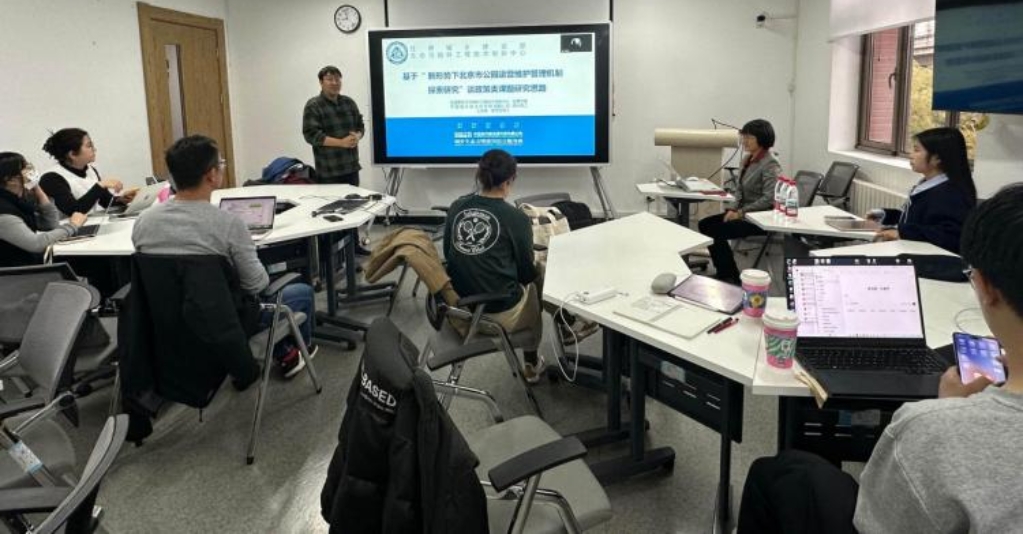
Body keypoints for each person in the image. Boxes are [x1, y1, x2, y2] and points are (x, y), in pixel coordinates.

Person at [737, 183, 1023, 533]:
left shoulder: (929, 427)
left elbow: (875, 519)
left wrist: (946, 408)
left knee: (779, 471)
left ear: (987, 287)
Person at [132, 135, 317, 378]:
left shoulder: (144, 222)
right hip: (223, 325)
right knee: (301, 292)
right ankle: (296, 352)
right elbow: (256, 285)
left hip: (165, 326)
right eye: (220, 163)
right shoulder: (228, 224)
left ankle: (285, 350)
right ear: (212, 175)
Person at [443, 149, 545, 382]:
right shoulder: (516, 218)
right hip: (498, 312)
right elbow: (525, 273)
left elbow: (448, 253)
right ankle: (532, 363)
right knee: (537, 280)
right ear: (509, 180)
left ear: (480, 175)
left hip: (457, 306)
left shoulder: (457, 206)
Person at [697, 119, 782, 284]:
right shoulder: (748, 159)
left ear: (762, 138)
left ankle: (729, 275)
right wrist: (733, 209)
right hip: (744, 213)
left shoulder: (770, 163)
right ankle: (726, 271)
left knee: (716, 231)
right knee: (705, 224)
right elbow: (739, 190)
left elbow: (769, 198)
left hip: (760, 218)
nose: (744, 141)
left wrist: (740, 213)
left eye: (749, 137)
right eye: (744, 137)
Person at [867, 127, 977, 253]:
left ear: (937, 158)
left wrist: (902, 233)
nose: (911, 155)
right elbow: (915, 220)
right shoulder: (928, 184)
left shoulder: (951, 193)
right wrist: (885, 215)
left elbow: (950, 235)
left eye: (917, 150)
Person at [0, 152, 87, 267]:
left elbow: (50, 224)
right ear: (10, 180)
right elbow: (36, 244)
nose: (31, 171)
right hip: (16, 272)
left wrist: (37, 188)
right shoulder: (4, 212)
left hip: (27, 264)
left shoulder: (17, 200)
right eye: (25, 169)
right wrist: (73, 225)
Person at [39, 128, 136, 216]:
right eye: (89, 146)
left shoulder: (90, 170)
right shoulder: (51, 178)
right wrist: (100, 186)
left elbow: (105, 201)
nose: (94, 149)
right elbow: (74, 210)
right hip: (67, 228)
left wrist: (121, 200)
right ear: (72, 154)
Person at [302, 66, 365, 187]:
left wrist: (358, 136)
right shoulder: (313, 105)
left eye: (337, 79)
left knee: (355, 199)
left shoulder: (349, 102)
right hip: (329, 171)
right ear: (321, 82)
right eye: (330, 79)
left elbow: (360, 125)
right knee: (331, 200)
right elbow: (311, 135)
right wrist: (341, 143)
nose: (335, 83)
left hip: (351, 168)